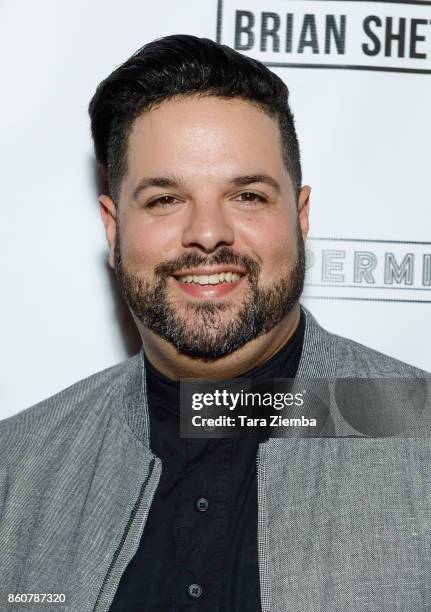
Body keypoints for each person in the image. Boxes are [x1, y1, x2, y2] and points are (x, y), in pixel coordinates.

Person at [0, 34, 429, 612]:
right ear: (113, 228)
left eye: (248, 196)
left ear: (300, 218)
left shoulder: (418, 434)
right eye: (164, 199)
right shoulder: (19, 466)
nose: (208, 233)